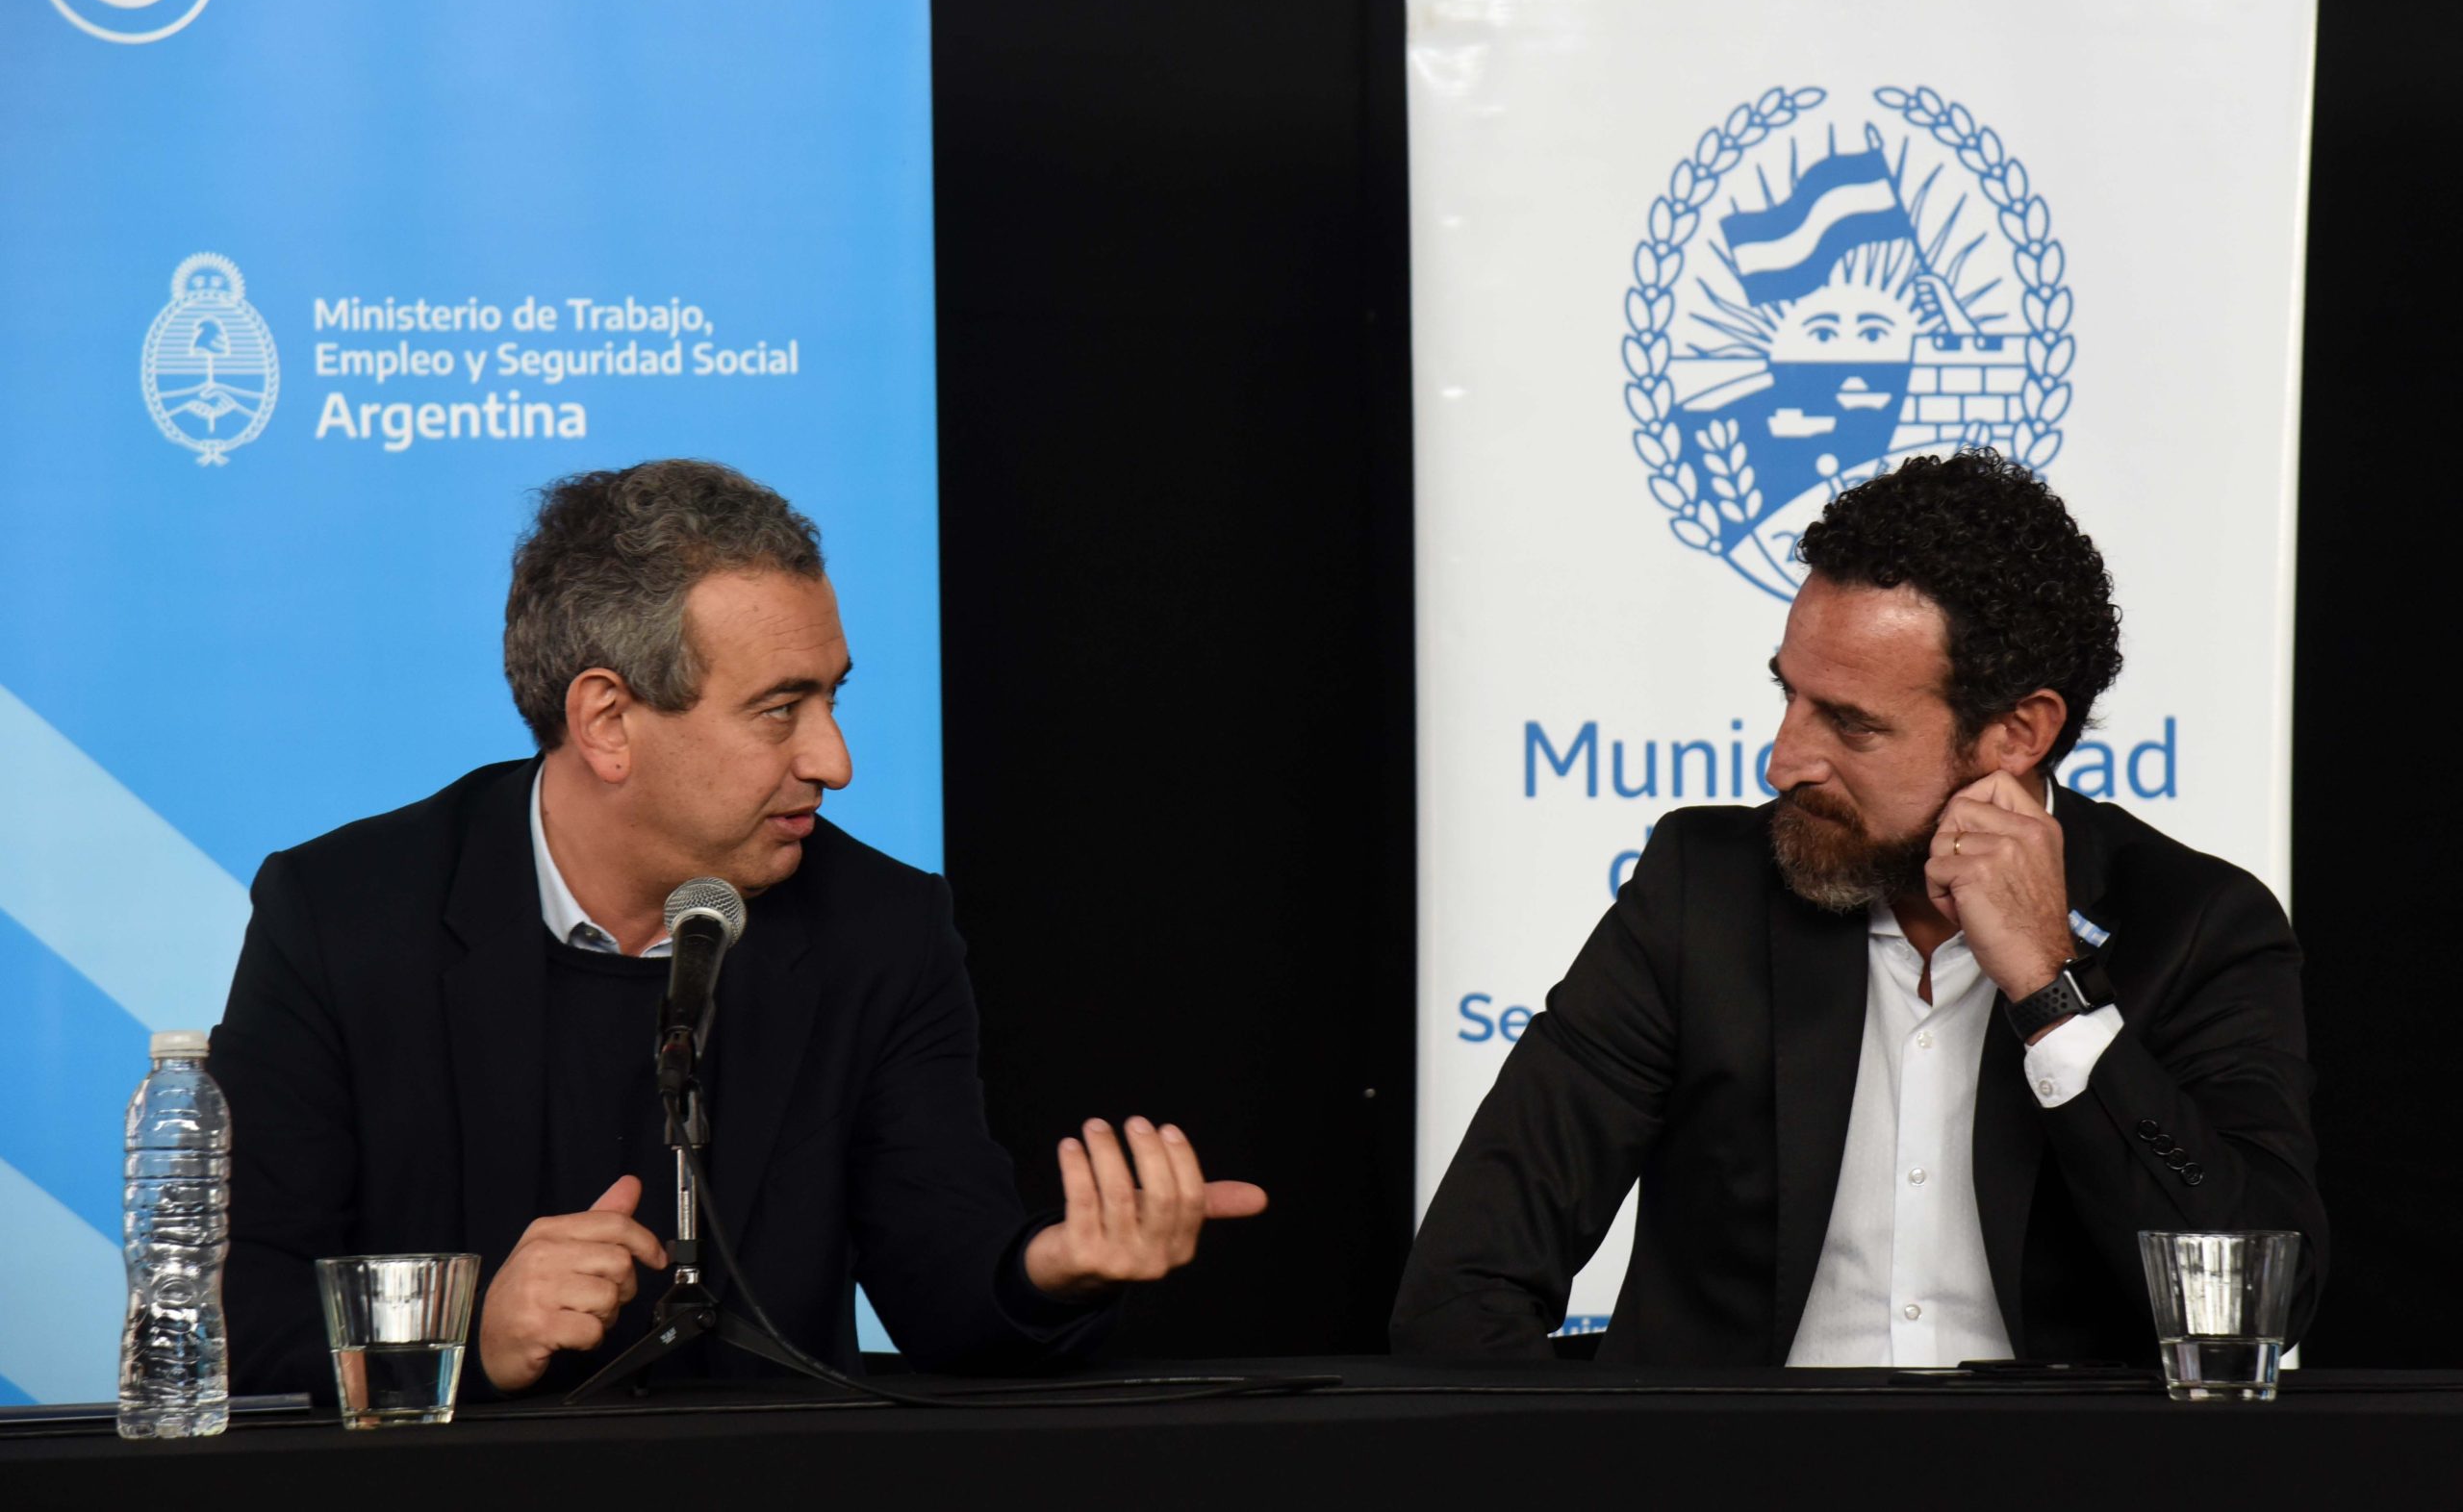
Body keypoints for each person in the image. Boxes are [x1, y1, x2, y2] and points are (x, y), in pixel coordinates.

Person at [212, 459, 1266, 1397]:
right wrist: (467, 1335)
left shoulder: (881, 927)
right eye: (779, 708)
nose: (833, 760)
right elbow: (235, 1312)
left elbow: (941, 1276)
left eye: (833, 699)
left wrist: (1048, 1271)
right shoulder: (342, 917)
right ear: (607, 721)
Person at [1393, 449, 2325, 1365]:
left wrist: (2052, 992)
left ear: (2017, 732)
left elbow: (2257, 1306)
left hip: (2044, 1457)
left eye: (1851, 722)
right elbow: (1462, 1285)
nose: (1783, 760)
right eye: (1789, 695)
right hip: (1732, 1457)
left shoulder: (2196, 924)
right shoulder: (1699, 891)